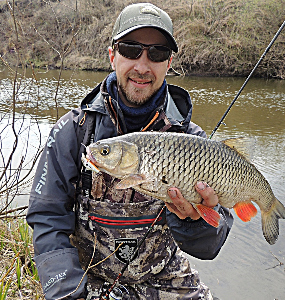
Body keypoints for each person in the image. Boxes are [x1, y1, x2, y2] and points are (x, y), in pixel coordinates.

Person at [26, 3, 233, 300]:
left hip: (164, 274)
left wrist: (195, 221)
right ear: (113, 55)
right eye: (130, 49)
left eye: (157, 53)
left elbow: (210, 246)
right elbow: (48, 219)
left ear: (169, 62)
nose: (142, 66)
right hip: (87, 274)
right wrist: (67, 291)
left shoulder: (192, 140)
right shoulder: (73, 131)